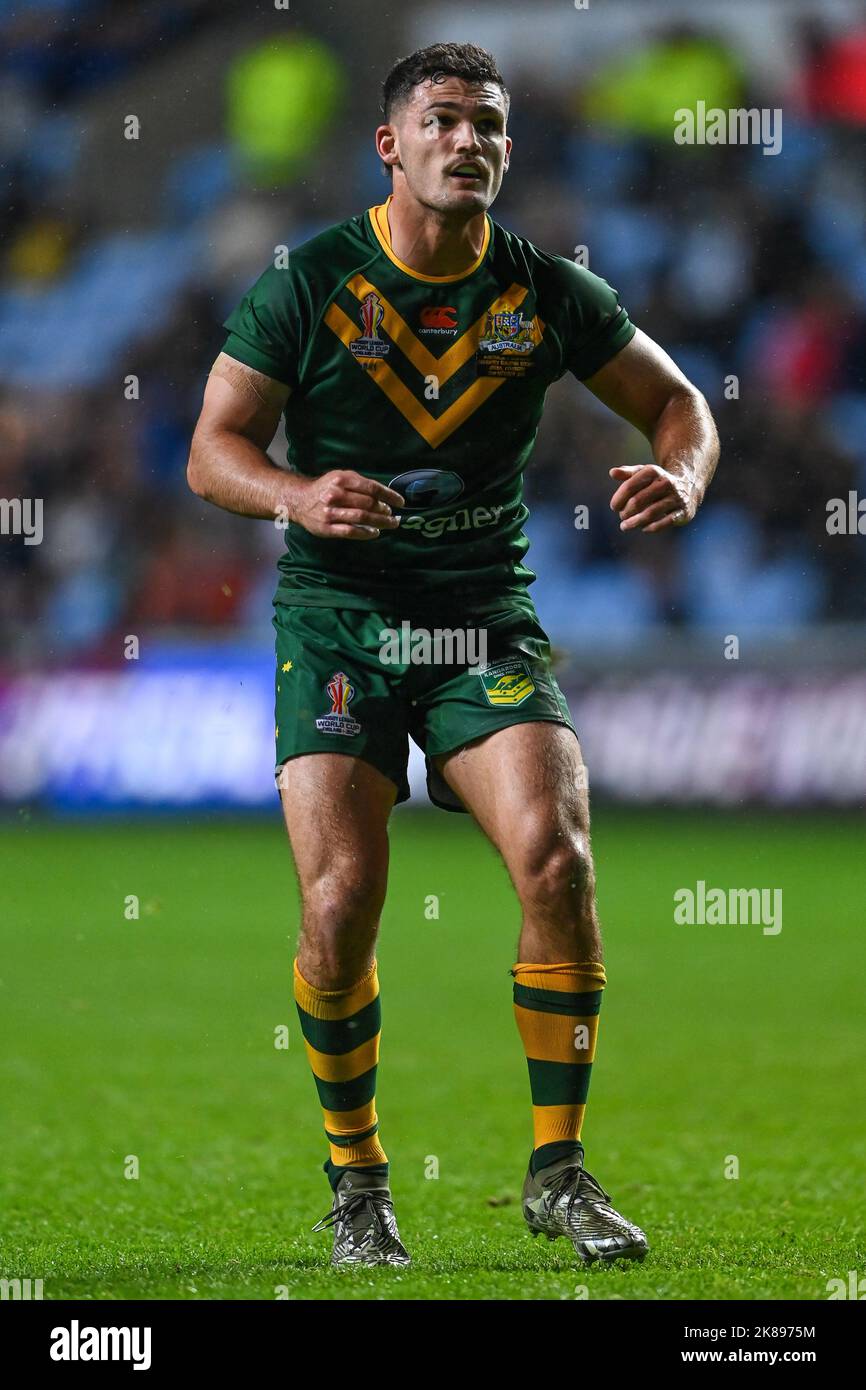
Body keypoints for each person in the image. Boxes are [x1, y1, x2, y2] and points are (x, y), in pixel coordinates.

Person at [187, 42, 719, 1268]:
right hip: (338, 620)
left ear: (505, 150)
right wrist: (293, 496)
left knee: (555, 856)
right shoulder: (308, 281)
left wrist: (682, 475)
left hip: (481, 615)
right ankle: (357, 1179)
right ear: (392, 144)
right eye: (442, 120)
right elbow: (212, 447)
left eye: (486, 123)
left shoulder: (547, 291)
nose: (466, 140)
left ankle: (557, 1172)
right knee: (339, 902)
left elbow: (679, 403)